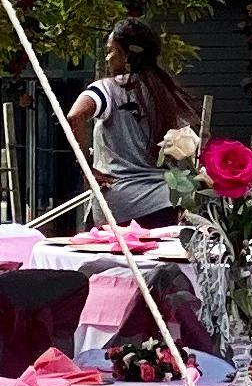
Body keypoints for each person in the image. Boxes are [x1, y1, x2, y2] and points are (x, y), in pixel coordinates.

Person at [64, 16, 192, 229]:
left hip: (119, 205)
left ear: (126, 55)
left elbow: (74, 116)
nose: (107, 58)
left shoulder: (108, 90)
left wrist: (86, 167)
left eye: (110, 51)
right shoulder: (164, 92)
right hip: (163, 202)